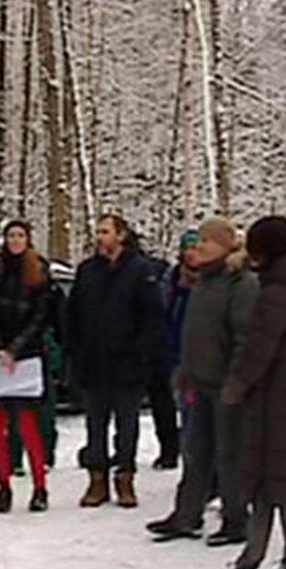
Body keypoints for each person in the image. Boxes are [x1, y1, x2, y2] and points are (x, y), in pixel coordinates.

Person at [209, 217, 286, 569]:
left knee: (263, 489)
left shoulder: (276, 293)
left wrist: (234, 387)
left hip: (273, 405)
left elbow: (259, 349)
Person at [148, 218, 258, 546]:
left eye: (206, 242)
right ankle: (186, 514)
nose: (199, 247)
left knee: (229, 455)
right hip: (200, 379)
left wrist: (236, 381)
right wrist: (186, 370)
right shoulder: (202, 281)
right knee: (195, 451)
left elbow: (244, 336)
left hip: (226, 384)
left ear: (225, 245)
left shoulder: (241, 283)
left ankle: (236, 518)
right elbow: (195, 333)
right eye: (198, 243)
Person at [66, 214, 166, 509]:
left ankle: (125, 477)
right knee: (95, 424)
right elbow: (73, 314)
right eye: (97, 231)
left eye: (105, 231)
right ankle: (97, 479)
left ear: (121, 235)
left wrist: (140, 351)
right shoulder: (87, 271)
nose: (100, 237)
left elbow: (152, 317)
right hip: (94, 361)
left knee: (127, 423)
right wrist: (76, 351)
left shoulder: (140, 270)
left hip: (128, 362)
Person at [0, 221, 57, 515]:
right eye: (11, 235)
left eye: (21, 236)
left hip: (28, 356)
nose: (15, 240)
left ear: (28, 239)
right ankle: (3, 487)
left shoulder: (39, 272)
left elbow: (41, 316)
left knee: (29, 427)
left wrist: (16, 349)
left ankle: (40, 487)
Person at [154, 229, 202, 471]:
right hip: (177, 354)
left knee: (199, 417)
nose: (191, 254)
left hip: (203, 356)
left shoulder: (212, 280)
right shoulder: (172, 280)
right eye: (187, 249)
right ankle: (191, 468)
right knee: (185, 411)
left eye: (196, 248)